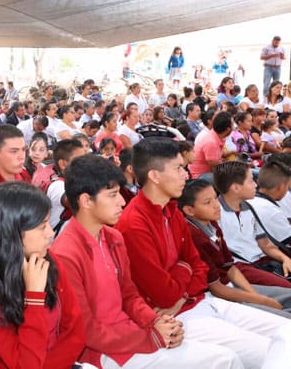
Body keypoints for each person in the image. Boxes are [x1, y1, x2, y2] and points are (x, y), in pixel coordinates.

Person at [117, 138, 291, 369]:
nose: (185, 174)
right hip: (179, 317)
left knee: (287, 333)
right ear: (155, 176)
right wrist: (185, 270)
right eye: (178, 168)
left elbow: (200, 267)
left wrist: (183, 281)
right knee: (272, 354)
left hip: (198, 301)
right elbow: (164, 294)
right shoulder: (134, 224)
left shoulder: (172, 211)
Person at [52, 154, 239, 368]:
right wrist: (150, 337)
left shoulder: (113, 237)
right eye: (112, 195)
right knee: (224, 360)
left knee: (226, 356)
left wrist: (156, 322)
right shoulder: (66, 254)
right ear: (86, 201)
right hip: (104, 352)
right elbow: (86, 329)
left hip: (133, 333)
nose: (122, 201)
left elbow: (129, 296)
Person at [0, 182, 85, 368]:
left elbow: (75, 331)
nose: (50, 233)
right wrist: (34, 298)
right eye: (42, 226)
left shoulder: (48, 260)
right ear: (12, 232)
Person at [179, 179, 291, 318]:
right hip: (220, 296)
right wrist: (262, 300)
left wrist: (256, 296)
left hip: (232, 285)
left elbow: (230, 267)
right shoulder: (194, 236)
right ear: (189, 210)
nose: (216, 205)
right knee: (282, 317)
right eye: (208, 202)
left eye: (215, 198)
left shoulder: (213, 224)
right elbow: (216, 288)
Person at [188, 111, 233, 179]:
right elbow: (216, 168)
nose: (234, 127)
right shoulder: (211, 142)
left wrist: (234, 153)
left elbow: (220, 155)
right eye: (232, 125)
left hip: (208, 171)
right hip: (200, 176)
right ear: (228, 129)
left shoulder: (215, 135)